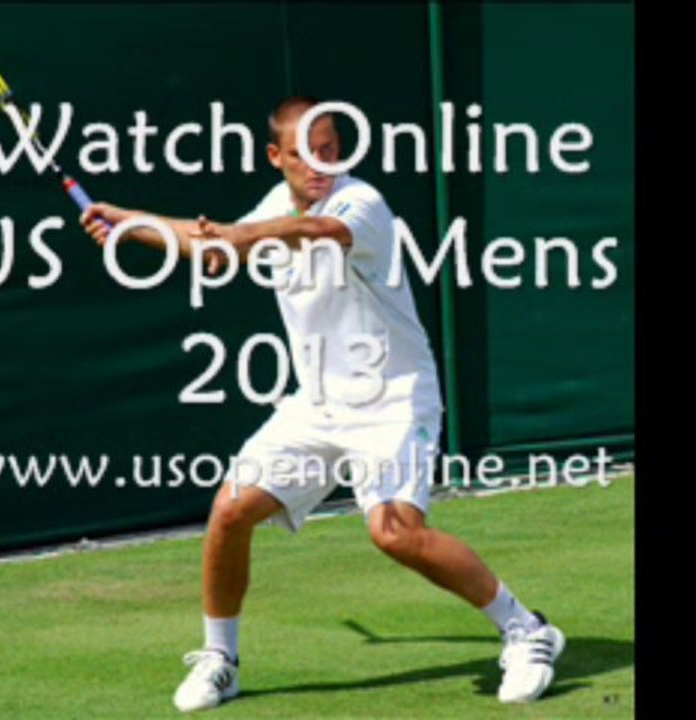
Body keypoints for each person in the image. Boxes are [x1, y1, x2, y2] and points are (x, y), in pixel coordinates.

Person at [80, 96, 565, 711]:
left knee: (394, 533)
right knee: (229, 512)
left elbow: (316, 233)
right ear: (275, 157)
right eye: (305, 154)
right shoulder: (274, 208)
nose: (320, 164)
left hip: (393, 399)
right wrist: (130, 223)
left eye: (330, 150)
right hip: (318, 405)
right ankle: (221, 659)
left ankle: (527, 630)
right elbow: (214, 248)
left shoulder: (360, 203)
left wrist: (243, 233)